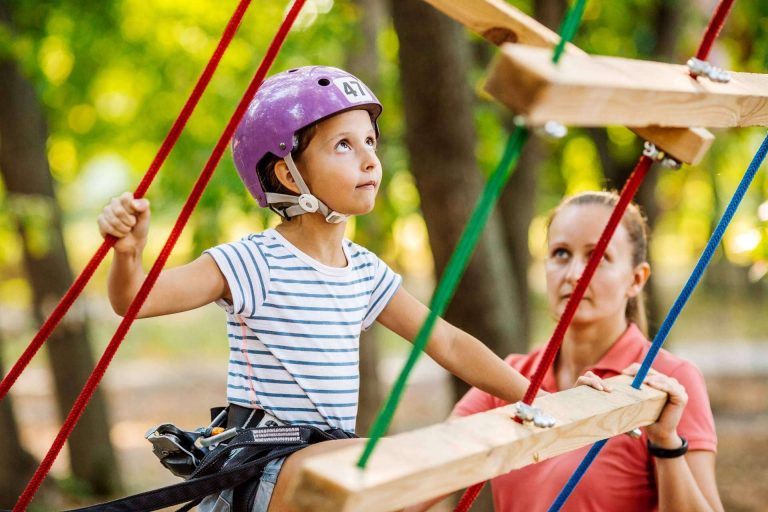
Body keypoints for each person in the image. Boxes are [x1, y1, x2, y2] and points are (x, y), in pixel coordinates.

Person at [97, 66, 603, 512]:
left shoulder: (364, 271)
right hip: (267, 461)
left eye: (370, 142)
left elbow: (446, 341)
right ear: (287, 175)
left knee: (442, 476)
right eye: (344, 144)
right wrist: (128, 254)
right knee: (397, 464)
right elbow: (134, 301)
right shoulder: (253, 261)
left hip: (332, 453)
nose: (368, 159)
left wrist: (542, 399)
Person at [443, 191, 723, 511]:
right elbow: (428, 468)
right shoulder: (510, 376)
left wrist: (666, 444)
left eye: (598, 256)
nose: (575, 274)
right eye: (561, 253)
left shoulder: (668, 380)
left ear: (636, 279)